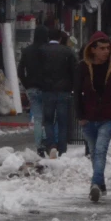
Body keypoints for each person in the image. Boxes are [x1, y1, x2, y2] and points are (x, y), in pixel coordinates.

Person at [75, 32, 111, 202]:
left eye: (108, 48)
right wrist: (80, 115)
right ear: (93, 50)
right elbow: (76, 93)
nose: (106, 52)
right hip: (88, 119)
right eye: (102, 48)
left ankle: (95, 185)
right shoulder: (82, 67)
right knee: (94, 152)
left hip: (107, 117)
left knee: (100, 151)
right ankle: (101, 184)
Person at [38, 28, 78, 158]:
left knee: (48, 120)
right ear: (60, 39)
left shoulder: (42, 51)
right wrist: (72, 86)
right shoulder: (67, 51)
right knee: (63, 121)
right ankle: (62, 149)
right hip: (64, 91)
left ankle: (51, 145)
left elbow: (37, 70)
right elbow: (74, 71)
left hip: (47, 90)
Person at [18, 26, 48, 156]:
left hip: (31, 87)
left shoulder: (27, 51)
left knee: (37, 118)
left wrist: (26, 84)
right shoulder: (47, 50)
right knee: (48, 117)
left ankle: (38, 145)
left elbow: (20, 71)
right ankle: (47, 141)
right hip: (46, 87)